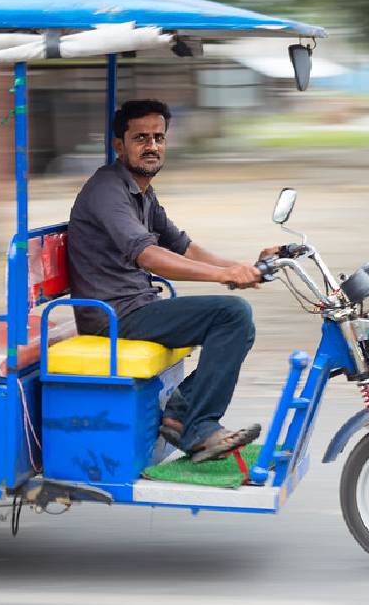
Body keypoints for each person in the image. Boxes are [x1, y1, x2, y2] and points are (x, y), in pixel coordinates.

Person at [68, 99, 277, 463]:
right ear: (119, 145)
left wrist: (239, 268)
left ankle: (183, 417)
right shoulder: (107, 190)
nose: (152, 146)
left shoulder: (141, 191)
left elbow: (182, 246)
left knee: (232, 318)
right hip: (113, 316)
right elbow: (148, 256)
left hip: (136, 305)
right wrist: (223, 276)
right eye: (141, 138)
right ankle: (192, 424)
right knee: (231, 316)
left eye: (159, 137)